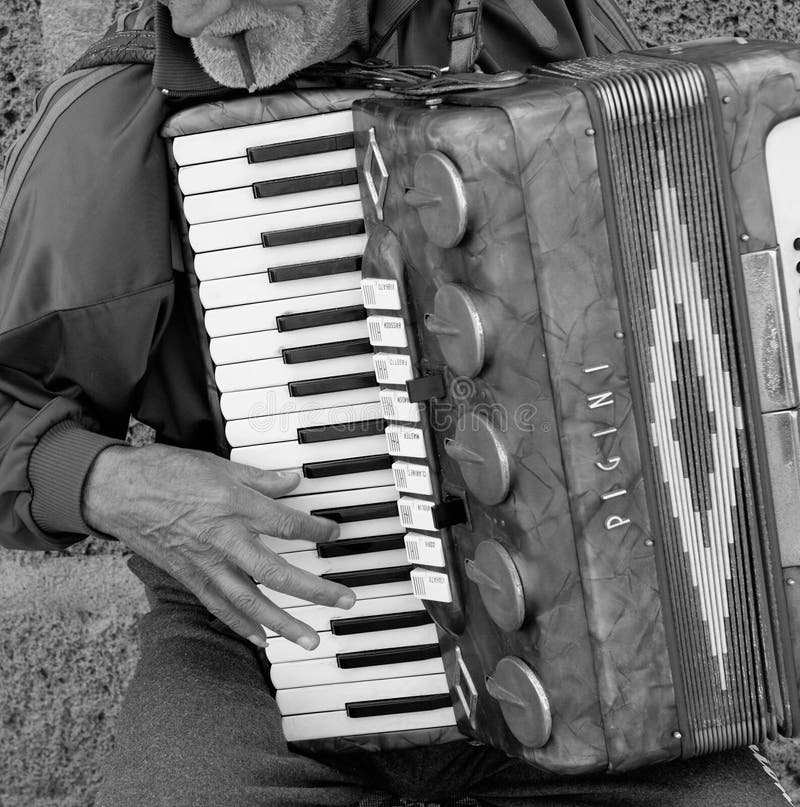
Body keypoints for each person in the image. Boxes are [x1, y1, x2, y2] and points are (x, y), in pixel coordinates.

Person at [0, 1, 794, 805]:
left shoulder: (545, 31)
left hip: (590, 644)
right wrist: (107, 483)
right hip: (264, 637)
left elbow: (707, 239)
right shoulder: (106, 129)